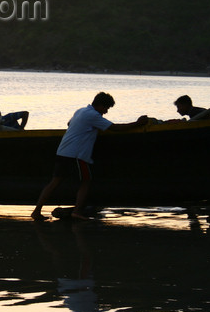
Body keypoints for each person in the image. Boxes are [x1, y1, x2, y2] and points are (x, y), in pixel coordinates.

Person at [31, 92, 147, 221]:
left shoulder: (81, 111)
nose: (106, 112)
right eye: (106, 108)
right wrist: (137, 123)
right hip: (76, 155)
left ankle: (36, 211)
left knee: (54, 182)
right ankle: (77, 211)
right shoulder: (93, 115)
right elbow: (114, 128)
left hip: (63, 151)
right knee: (86, 182)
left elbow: (69, 124)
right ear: (100, 105)